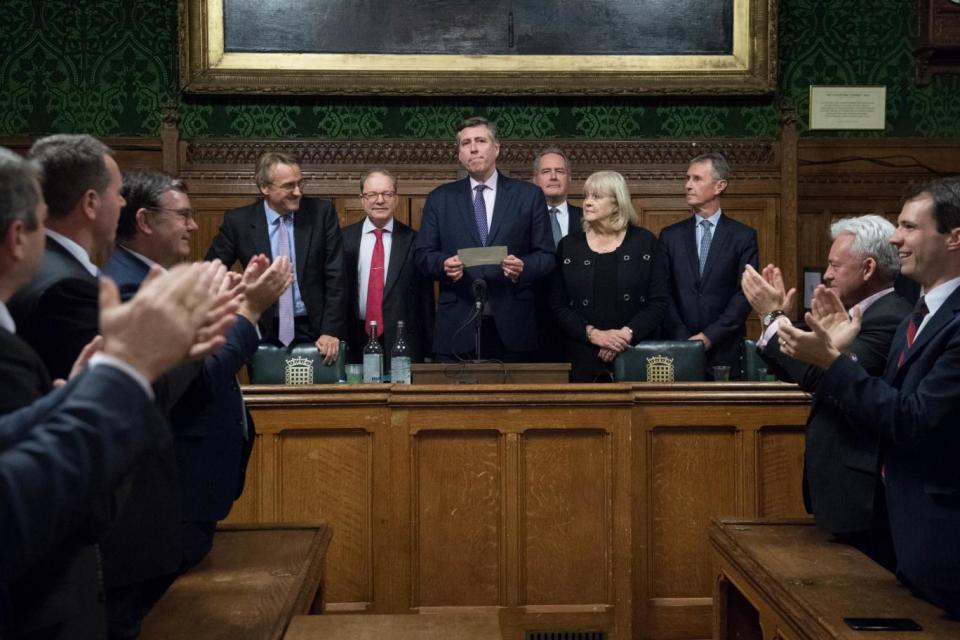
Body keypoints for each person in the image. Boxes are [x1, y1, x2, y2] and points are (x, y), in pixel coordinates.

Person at [777, 177, 960, 617]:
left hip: (943, 538)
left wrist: (833, 362)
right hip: (902, 526)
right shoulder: (916, 314)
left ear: (954, 238)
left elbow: (911, 419)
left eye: (910, 227)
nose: (896, 238)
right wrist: (835, 355)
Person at [105, 170, 292, 574]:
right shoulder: (129, 288)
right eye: (184, 215)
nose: (193, 225)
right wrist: (249, 311)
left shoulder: (155, 278)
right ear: (144, 220)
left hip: (188, 486)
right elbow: (197, 376)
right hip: (173, 486)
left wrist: (229, 302)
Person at [742, 215, 911, 567]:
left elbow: (821, 375)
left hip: (864, 497)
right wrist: (779, 323)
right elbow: (810, 370)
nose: (828, 274)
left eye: (835, 264)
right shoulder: (854, 314)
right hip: (843, 489)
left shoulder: (889, 317)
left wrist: (774, 318)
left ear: (868, 268)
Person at [413, 116, 555, 361]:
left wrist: (523, 267)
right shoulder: (440, 198)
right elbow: (422, 255)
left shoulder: (528, 196)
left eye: (480, 140)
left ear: (496, 148)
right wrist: (443, 265)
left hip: (514, 325)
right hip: (457, 324)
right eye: (466, 143)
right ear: (459, 154)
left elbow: (547, 256)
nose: (474, 148)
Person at [205, 151, 345, 363]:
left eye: (300, 183)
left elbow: (336, 275)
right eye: (289, 186)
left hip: (315, 329)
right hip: (262, 329)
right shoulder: (239, 222)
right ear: (265, 188)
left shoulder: (321, 213)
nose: (298, 192)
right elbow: (210, 273)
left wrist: (330, 330)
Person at [549, 171, 669, 382]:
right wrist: (595, 335)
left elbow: (658, 302)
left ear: (616, 204)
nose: (587, 203)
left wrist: (623, 336)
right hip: (581, 354)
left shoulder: (644, 242)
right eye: (586, 196)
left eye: (596, 197)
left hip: (634, 352)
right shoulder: (569, 246)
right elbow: (558, 305)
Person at [659, 152, 758, 378]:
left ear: (719, 186)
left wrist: (709, 337)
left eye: (696, 179)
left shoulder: (743, 236)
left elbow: (745, 294)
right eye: (687, 178)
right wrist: (685, 340)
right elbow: (662, 292)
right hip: (677, 348)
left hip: (726, 349)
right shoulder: (670, 236)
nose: (688, 185)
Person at [342, 168, 433, 366]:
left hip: (402, 341)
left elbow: (425, 301)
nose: (380, 200)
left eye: (387, 194)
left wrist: (429, 349)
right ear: (362, 199)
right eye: (372, 194)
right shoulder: (342, 239)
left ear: (396, 198)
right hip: (355, 338)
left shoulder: (415, 240)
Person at [533, 147, 581, 246]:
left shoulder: (587, 218)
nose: (553, 177)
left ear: (569, 179)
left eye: (559, 171)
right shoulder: (523, 219)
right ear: (535, 180)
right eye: (546, 171)